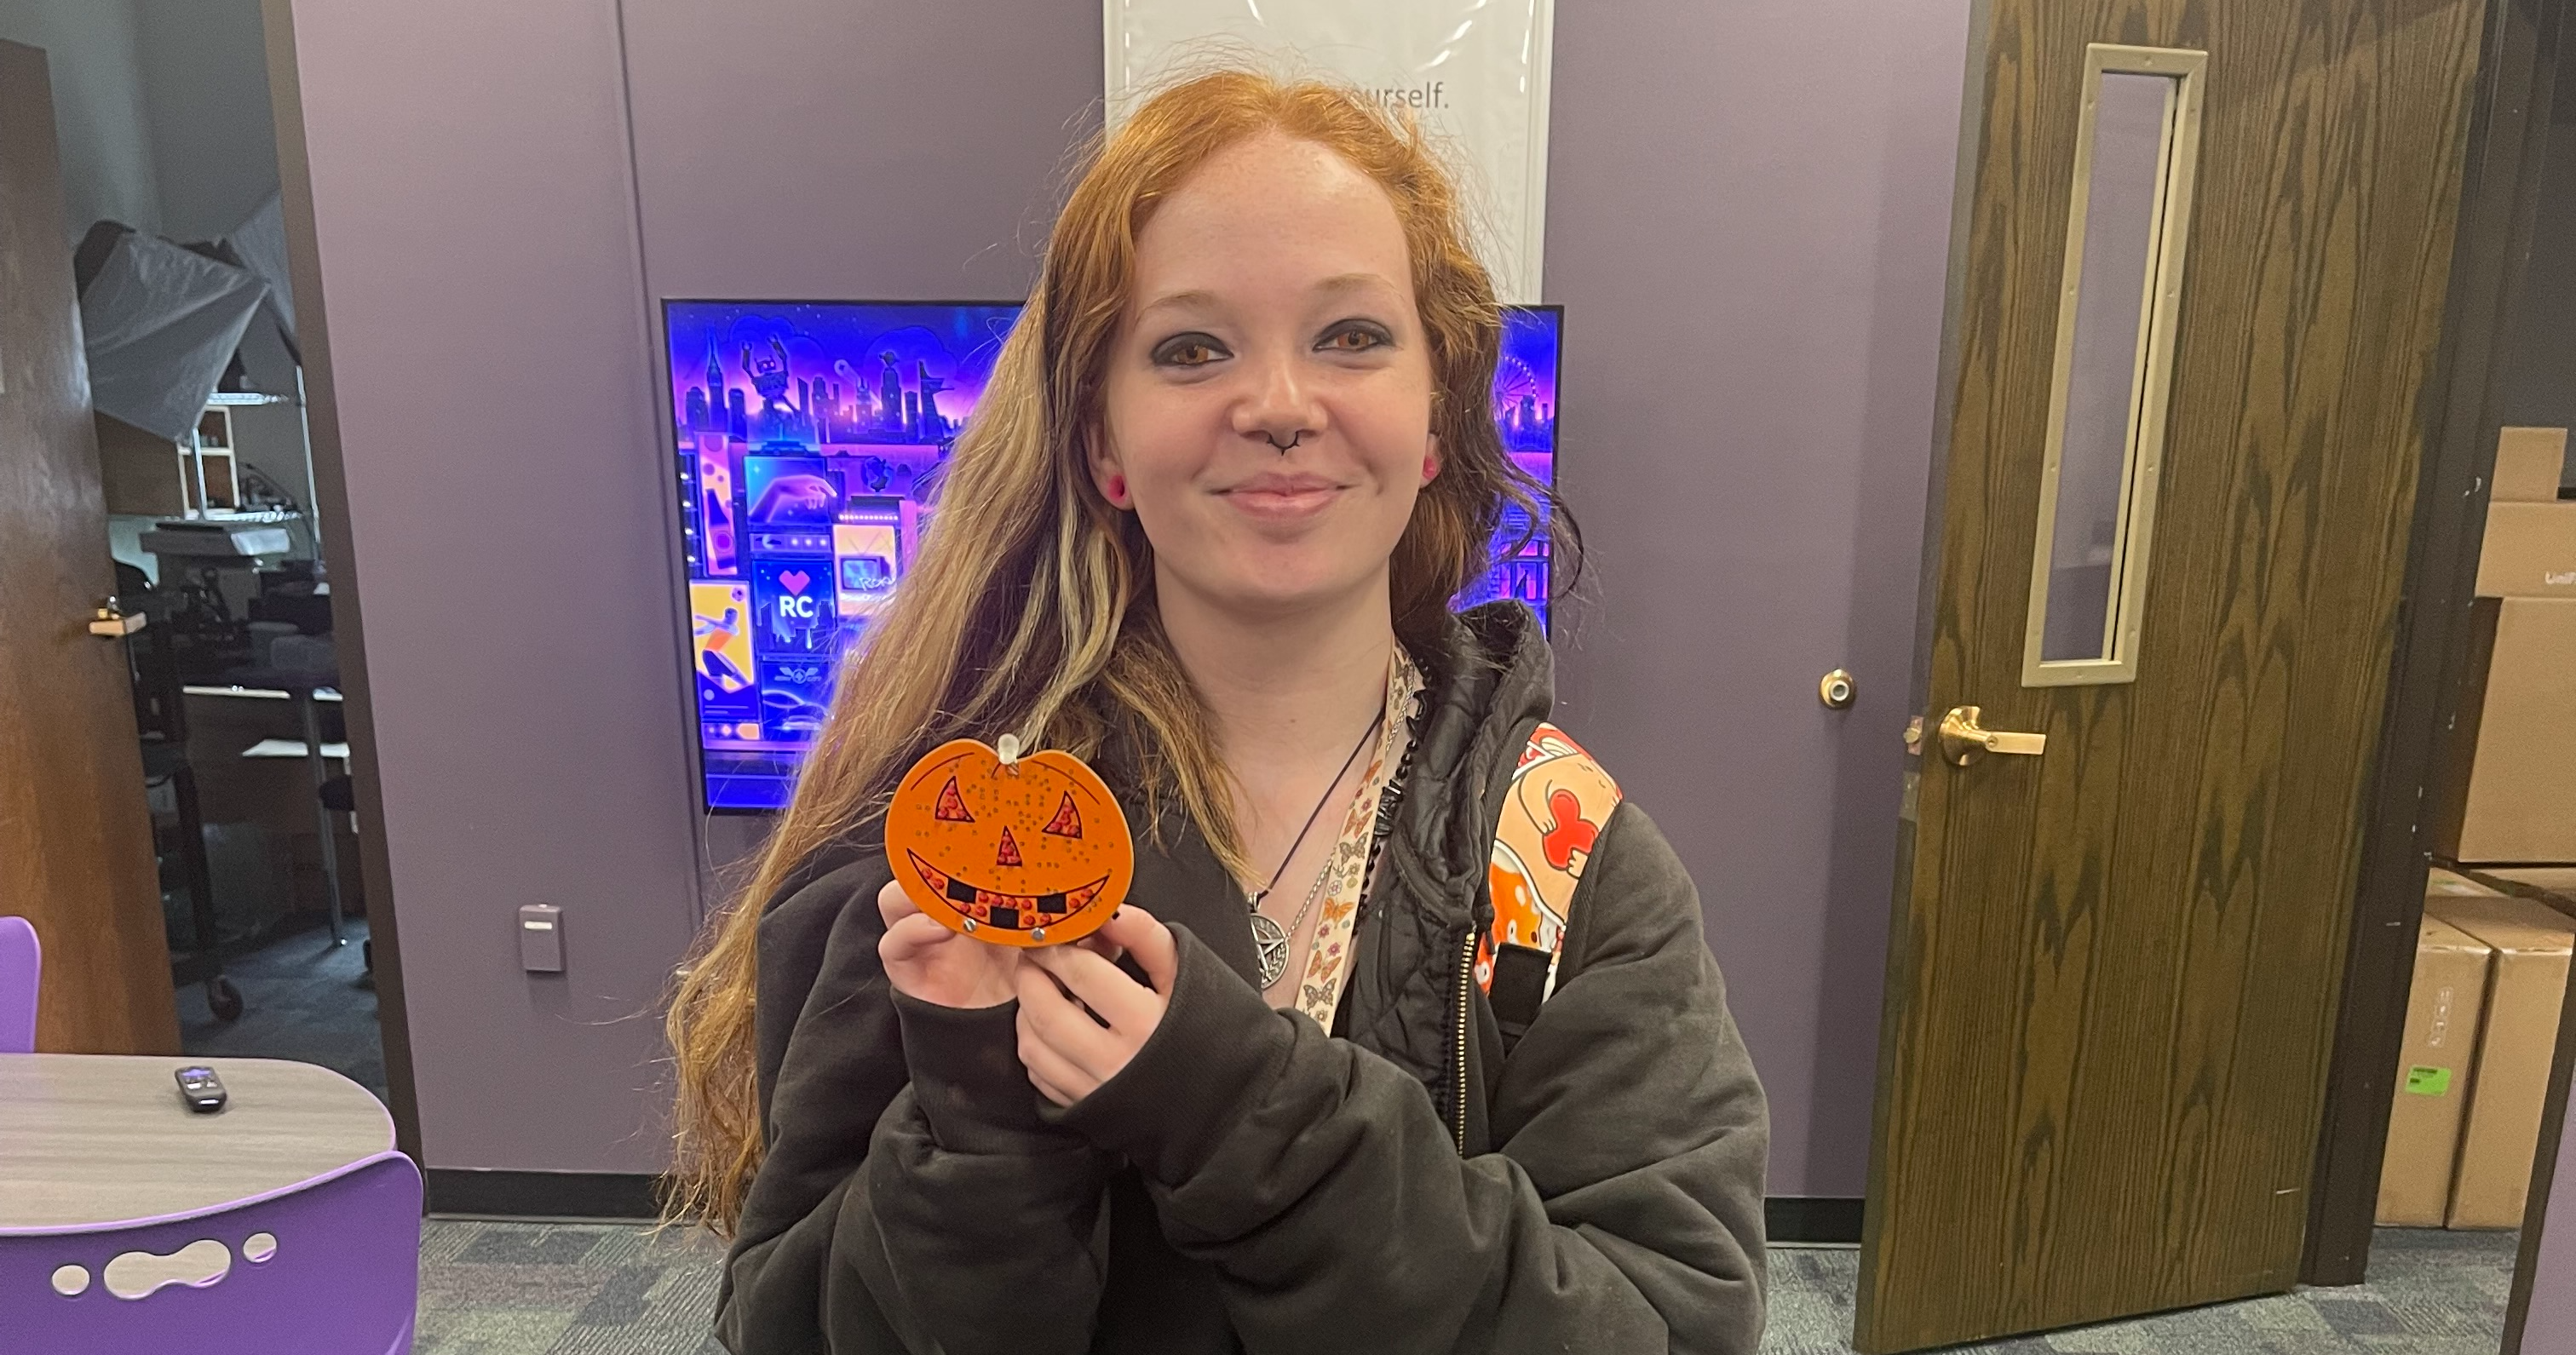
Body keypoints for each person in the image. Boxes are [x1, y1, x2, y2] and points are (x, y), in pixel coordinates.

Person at [664, 68, 1769, 1355]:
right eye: (1192, 348)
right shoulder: (964, 845)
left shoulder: (1565, 864)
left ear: (1434, 421)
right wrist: (977, 1123)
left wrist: (1248, 1118)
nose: (1281, 406)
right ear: (1106, 446)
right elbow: (788, 1330)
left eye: (1351, 335)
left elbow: (1672, 1323)